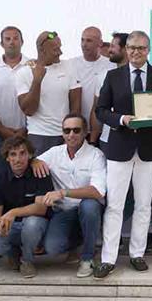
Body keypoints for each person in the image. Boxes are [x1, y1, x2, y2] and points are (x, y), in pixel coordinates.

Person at [93, 31, 152, 278]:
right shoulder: (113, 76)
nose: (136, 52)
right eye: (132, 48)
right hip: (120, 147)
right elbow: (101, 111)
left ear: (148, 50)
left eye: (141, 48)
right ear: (126, 50)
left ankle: (137, 254)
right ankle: (108, 258)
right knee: (114, 205)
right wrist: (121, 119)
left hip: (149, 148)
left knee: (144, 204)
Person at [31, 114, 106, 278]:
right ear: (62, 133)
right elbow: (30, 161)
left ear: (85, 132)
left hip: (87, 209)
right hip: (64, 212)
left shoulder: (96, 155)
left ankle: (87, 257)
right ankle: (80, 242)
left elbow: (98, 191)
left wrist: (63, 192)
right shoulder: (54, 153)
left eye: (76, 130)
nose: (71, 134)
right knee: (53, 248)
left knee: (89, 206)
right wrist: (34, 161)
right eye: (67, 130)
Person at [0, 135, 54, 279]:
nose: (18, 159)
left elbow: (41, 208)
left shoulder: (40, 173)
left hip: (37, 224)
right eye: (13, 154)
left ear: (29, 155)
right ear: (7, 157)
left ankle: (27, 261)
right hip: (12, 226)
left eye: (22, 153)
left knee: (32, 223)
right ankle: (13, 253)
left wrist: (13, 212)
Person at [16, 31, 81, 155]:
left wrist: (70, 133)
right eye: (56, 49)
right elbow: (29, 110)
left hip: (66, 135)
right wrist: (37, 80)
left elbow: (76, 106)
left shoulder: (69, 67)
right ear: (42, 50)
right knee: (41, 174)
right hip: (39, 136)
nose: (60, 53)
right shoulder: (24, 72)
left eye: (60, 47)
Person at [0, 26, 29, 175]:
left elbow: (38, 101)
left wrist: (25, 129)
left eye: (15, 38)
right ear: (2, 44)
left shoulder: (32, 66)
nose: (12, 42)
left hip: (26, 134)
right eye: (7, 39)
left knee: (25, 178)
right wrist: (2, 130)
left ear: (22, 42)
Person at [69, 26, 115, 130]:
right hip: (77, 128)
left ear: (100, 43)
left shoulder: (111, 66)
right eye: (82, 40)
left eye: (89, 41)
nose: (84, 44)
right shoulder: (71, 64)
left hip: (103, 128)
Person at [89, 32, 128, 148]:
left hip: (136, 140)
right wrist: (92, 140)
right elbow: (96, 109)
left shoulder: (141, 75)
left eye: (113, 46)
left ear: (125, 49)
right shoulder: (103, 76)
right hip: (108, 140)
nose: (109, 50)